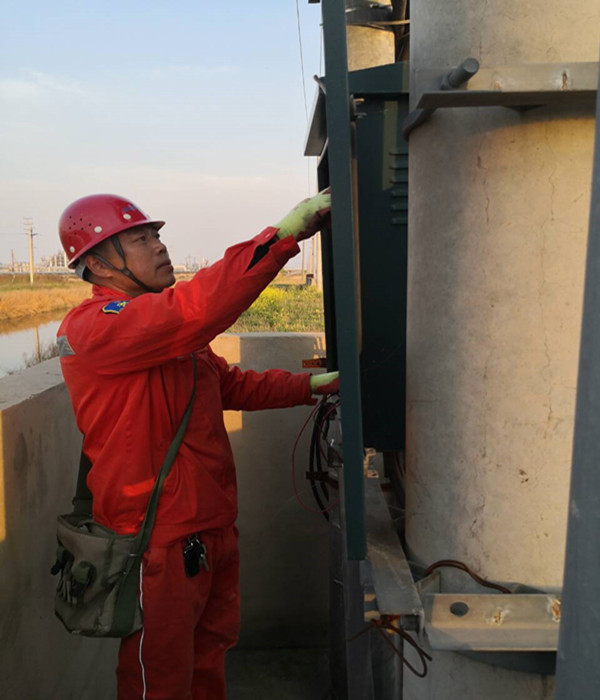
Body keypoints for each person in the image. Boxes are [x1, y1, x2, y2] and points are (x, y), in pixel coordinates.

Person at [56, 192, 338, 700]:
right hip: (156, 539)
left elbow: (229, 386)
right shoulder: (97, 326)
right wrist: (282, 237)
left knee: (208, 661)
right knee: (160, 678)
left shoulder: (162, 331)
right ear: (97, 264)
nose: (159, 246)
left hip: (209, 527)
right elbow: (198, 308)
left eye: (156, 235)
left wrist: (312, 386)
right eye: (140, 239)